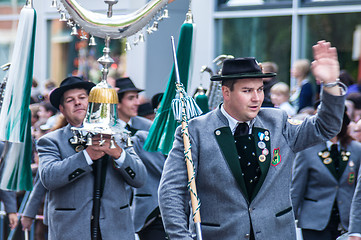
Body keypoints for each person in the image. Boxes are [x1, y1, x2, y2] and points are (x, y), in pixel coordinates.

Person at [158, 41, 346, 240]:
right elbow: (171, 191)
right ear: (226, 92)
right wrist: (181, 237)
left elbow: (324, 128)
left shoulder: (278, 121)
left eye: (260, 89)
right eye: (247, 91)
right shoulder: (194, 132)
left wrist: (331, 85)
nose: (256, 98)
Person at [37, 76, 146, 240]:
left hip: (115, 231)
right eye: (70, 100)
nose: (78, 103)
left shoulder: (118, 135)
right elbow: (49, 178)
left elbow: (139, 178)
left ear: (93, 102)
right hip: (71, 232)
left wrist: (118, 153)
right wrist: (87, 156)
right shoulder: (50, 141)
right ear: (62, 108)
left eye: (82, 98)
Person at [291, 107, 361, 240]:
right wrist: (287, 221)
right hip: (314, 221)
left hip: (346, 221)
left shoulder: (356, 149)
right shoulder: (307, 149)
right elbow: (296, 188)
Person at [115, 77, 167, 239]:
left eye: (137, 97)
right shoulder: (107, 130)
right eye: (131, 98)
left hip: (147, 210)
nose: (137, 102)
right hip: (117, 205)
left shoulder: (148, 127)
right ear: (117, 103)